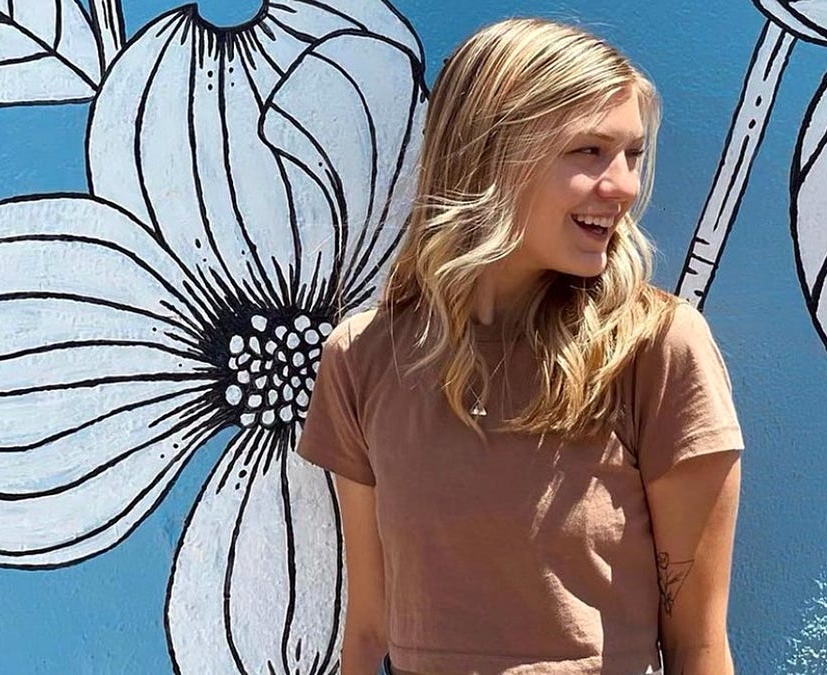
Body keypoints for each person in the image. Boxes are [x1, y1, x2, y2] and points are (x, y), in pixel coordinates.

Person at [297, 17, 744, 675]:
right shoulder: (363, 357)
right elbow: (368, 630)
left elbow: (698, 645)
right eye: (588, 151)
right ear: (490, 155)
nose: (622, 186)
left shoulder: (657, 349)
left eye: (631, 154)